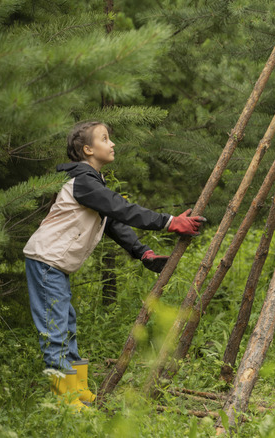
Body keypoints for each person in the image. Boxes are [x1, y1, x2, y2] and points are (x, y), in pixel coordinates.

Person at [23, 121, 206, 409]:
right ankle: (65, 403)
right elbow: (122, 208)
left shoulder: (91, 182)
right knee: (55, 330)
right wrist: (169, 222)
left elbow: (115, 222)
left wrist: (142, 252)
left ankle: (78, 391)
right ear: (88, 149)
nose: (112, 144)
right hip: (46, 261)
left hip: (55, 264)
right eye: (105, 139)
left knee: (67, 325)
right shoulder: (83, 181)